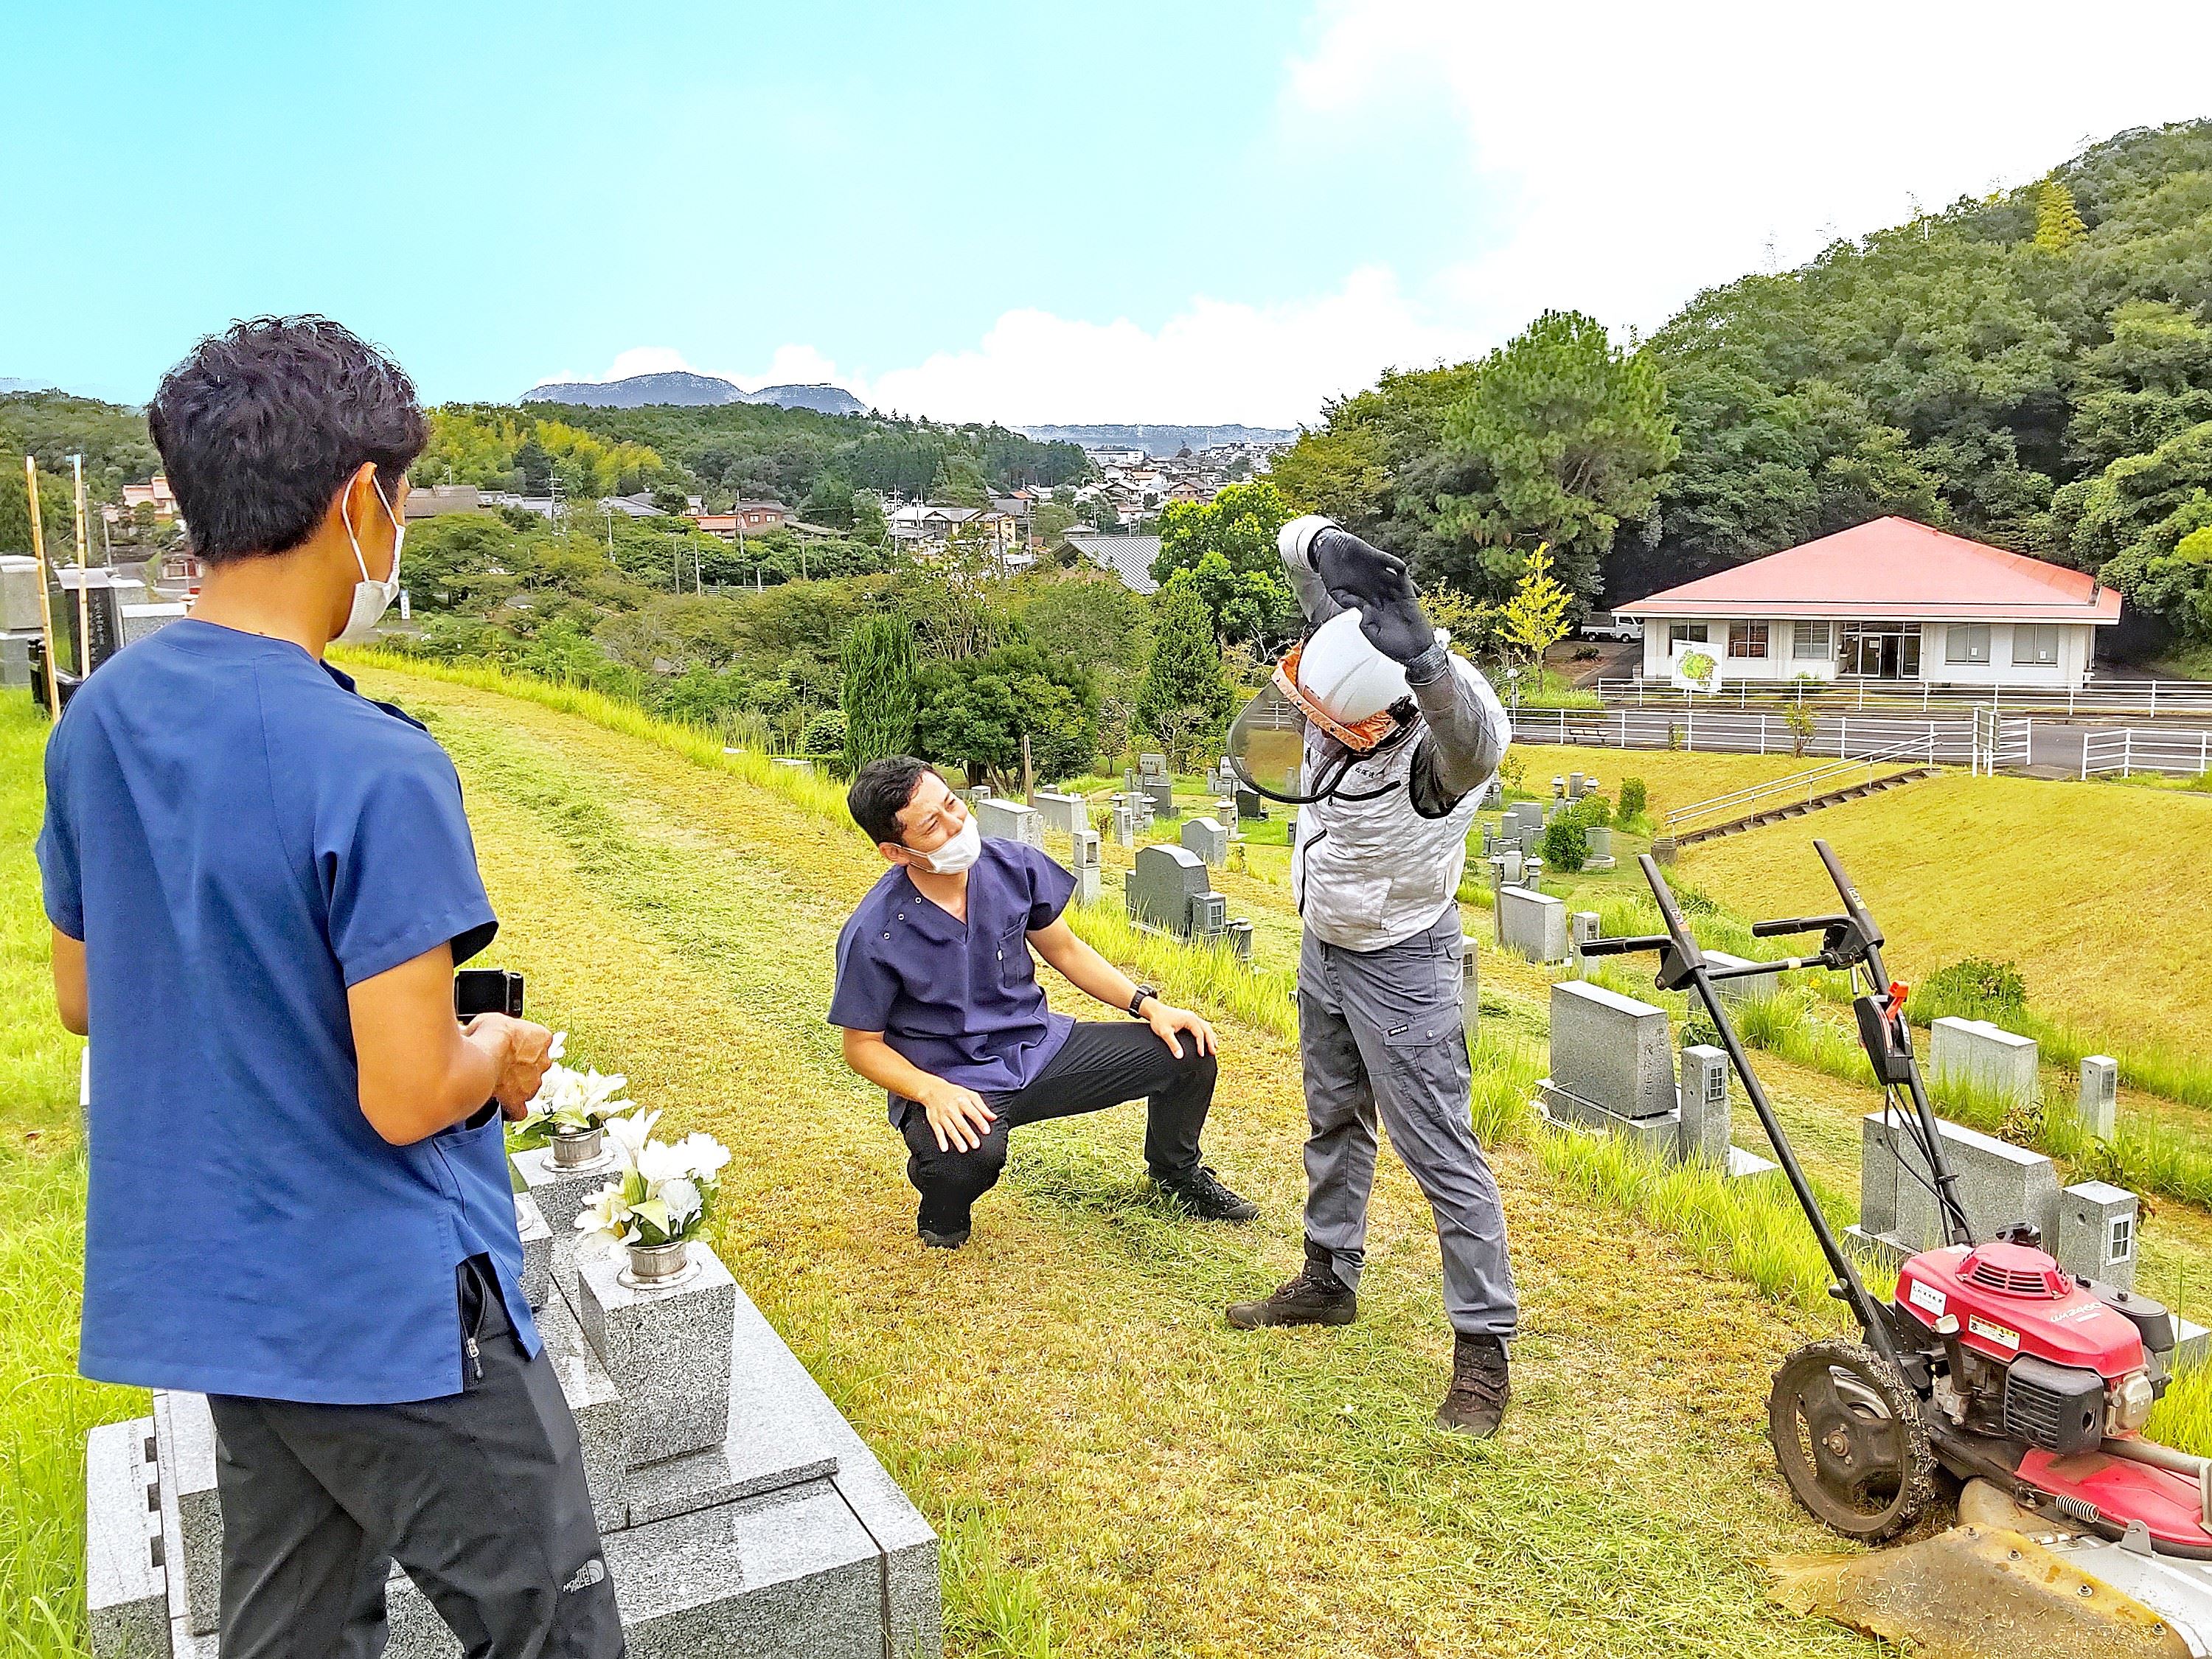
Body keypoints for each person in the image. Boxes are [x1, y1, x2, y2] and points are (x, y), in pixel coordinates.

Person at [36, 317, 622, 1655]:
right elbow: (412, 1091)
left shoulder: (101, 721)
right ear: (362, 500)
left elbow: (87, 998)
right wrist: (502, 1052)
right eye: (400, 501)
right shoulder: (374, 763)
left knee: (293, 1631)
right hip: (389, 1307)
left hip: (230, 1296)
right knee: (553, 1629)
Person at [1222, 515, 1519, 1437]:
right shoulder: (1347, 654)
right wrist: (1328, 548)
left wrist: (1427, 660)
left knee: (1441, 1154)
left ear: (1391, 715)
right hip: (1326, 940)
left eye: (1329, 728)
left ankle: (1482, 1353)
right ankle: (1327, 1278)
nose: (1313, 736)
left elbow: (1473, 745)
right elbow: (1292, 542)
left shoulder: (1446, 749)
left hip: (1403, 960)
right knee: (1332, 1116)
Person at [830, 756, 1259, 1247]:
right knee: (963, 1160)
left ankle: (1176, 1174)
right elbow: (861, 1045)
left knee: (1189, 1050)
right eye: (933, 825)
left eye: (952, 805)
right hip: (954, 1077)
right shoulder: (876, 930)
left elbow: (1066, 950)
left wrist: (1148, 1005)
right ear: (896, 851)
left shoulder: (1011, 866)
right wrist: (930, 1092)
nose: (957, 825)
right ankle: (943, 1217)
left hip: (1039, 1049)